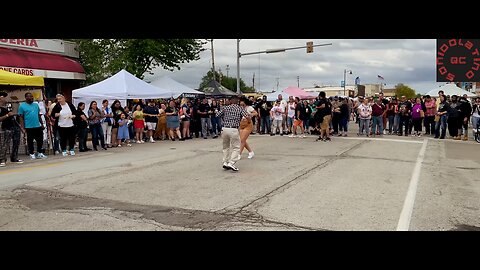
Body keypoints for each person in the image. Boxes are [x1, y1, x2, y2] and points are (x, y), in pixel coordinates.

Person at [216, 95, 249, 172]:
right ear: (237, 101)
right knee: (236, 147)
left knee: (225, 147)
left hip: (225, 128)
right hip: (234, 129)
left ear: (230, 101)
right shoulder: (240, 108)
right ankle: (232, 162)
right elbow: (247, 116)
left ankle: (225, 162)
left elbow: (217, 115)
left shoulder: (225, 108)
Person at [18, 92, 47, 160]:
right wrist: (22, 127)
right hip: (29, 126)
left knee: (40, 140)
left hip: (37, 125)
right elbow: (21, 117)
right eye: (29, 97)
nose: (31, 98)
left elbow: (38, 115)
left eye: (32, 97)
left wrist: (42, 124)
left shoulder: (36, 105)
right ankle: (31, 153)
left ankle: (39, 152)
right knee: (30, 141)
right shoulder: (22, 106)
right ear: (26, 98)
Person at [0, 91, 24, 167]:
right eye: (3, 97)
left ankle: (14, 157)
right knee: (5, 144)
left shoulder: (8, 106)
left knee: (16, 142)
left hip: (14, 125)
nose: (5, 98)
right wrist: (7, 115)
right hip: (6, 127)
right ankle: (2, 159)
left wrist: (20, 127)